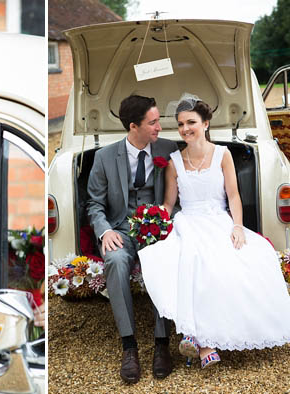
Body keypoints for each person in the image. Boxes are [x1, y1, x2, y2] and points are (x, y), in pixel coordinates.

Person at [138, 94, 290, 369]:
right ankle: (203, 342)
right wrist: (152, 223)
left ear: (205, 123)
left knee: (247, 256)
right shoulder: (173, 162)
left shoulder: (223, 155)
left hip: (219, 219)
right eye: (180, 124)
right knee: (193, 257)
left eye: (191, 122)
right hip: (188, 221)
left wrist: (237, 226)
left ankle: (217, 334)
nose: (185, 129)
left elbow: (234, 196)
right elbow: (169, 204)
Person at [87, 95, 178, 383]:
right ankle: (129, 346)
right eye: (153, 122)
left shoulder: (168, 149)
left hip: (158, 229)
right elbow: (94, 204)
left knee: (163, 260)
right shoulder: (104, 157)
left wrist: (168, 221)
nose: (159, 128)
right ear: (133, 126)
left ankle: (162, 344)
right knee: (113, 260)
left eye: (158, 120)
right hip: (121, 229)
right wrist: (105, 231)